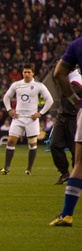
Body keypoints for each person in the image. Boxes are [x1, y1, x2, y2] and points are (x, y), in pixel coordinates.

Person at [0, 63, 54, 175]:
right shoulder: (17, 85)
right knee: (11, 141)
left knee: (32, 143)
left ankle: (29, 169)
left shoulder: (38, 85)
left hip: (31, 119)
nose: (26, 74)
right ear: (22, 73)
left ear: (33, 73)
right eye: (25, 72)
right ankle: (6, 168)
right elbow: (6, 97)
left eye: (29, 72)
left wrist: (40, 113)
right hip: (18, 117)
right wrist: (9, 110)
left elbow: (50, 100)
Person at [49, 37, 82, 227]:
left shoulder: (77, 45)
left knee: (79, 162)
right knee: (56, 146)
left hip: (78, 113)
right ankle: (63, 173)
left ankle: (67, 214)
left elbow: (58, 73)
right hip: (65, 116)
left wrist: (75, 102)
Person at [49, 68, 82, 185]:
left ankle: (76, 176)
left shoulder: (78, 80)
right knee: (54, 145)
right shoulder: (65, 78)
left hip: (74, 118)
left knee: (75, 150)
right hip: (61, 116)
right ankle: (64, 173)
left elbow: (70, 95)